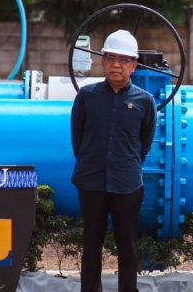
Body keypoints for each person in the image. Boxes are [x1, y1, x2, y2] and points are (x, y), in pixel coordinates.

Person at [71, 30, 157, 292]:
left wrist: (124, 165)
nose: (116, 65)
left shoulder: (145, 101)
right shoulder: (87, 97)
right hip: (92, 183)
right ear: (102, 61)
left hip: (127, 185)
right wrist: (93, 162)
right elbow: (78, 139)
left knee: (127, 246)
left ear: (133, 65)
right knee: (91, 244)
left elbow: (143, 143)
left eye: (123, 60)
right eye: (110, 58)